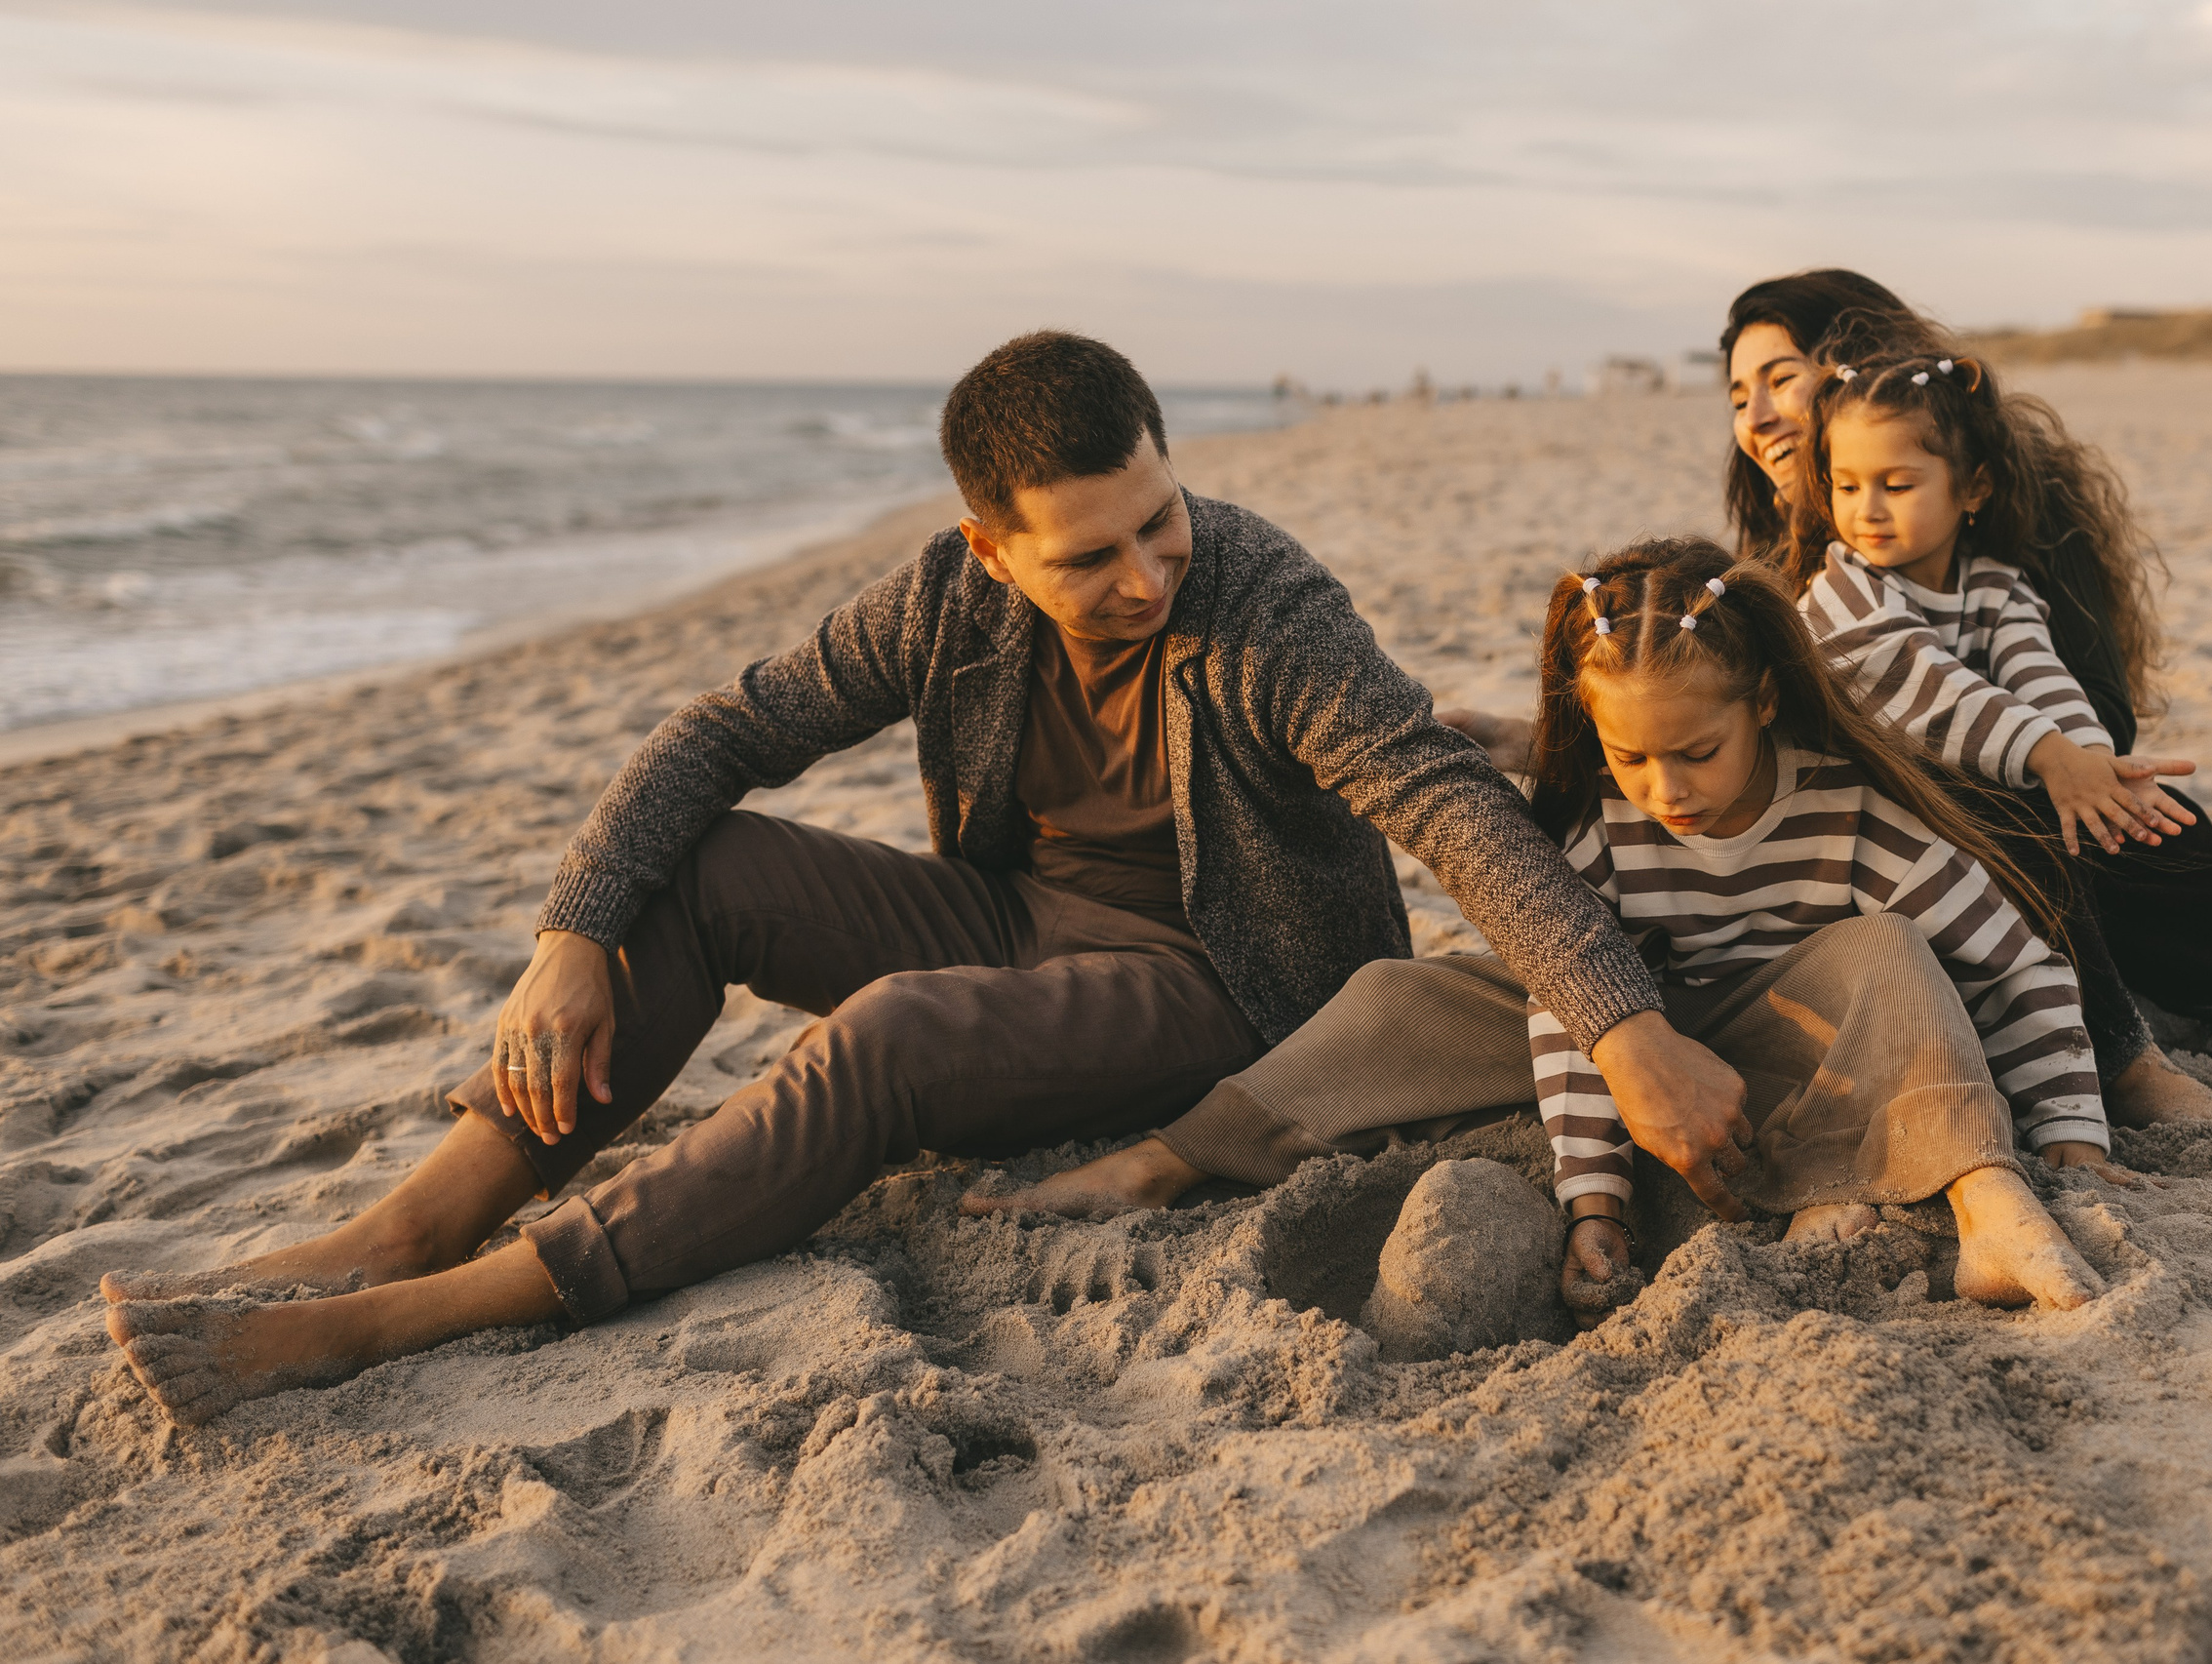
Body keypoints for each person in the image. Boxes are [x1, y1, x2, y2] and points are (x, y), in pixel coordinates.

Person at [100, 331, 1697, 1427]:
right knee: (705, 867)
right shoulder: (944, 600)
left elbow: (1445, 801)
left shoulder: (1265, 603)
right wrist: (572, 930)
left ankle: (433, 1307)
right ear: (991, 546)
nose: (1146, 574)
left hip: (1226, 982)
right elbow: (727, 729)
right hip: (1019, 920)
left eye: (1159, 523)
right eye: (1090, 556)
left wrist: (1621, 1026)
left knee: (891, 1032)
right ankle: (414, 1222)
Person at [984, 540, 2116, 1326]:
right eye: (1630, 756)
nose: (1665, 787)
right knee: (1396, 992)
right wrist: (1594, 1198)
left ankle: (1986, 1198)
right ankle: (1168, 1159)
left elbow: (2020, 964)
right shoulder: (1601, 823)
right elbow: (1566, 1010)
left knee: (1888, 952)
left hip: (1802, 1048)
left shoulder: (1847, 811)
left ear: (1763, 703)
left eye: (1696, 752)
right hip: (1636, 1039)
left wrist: (2071, 1129)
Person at [1784, 344, 2212, 1057]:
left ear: (1973, 488)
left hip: (1996, 786)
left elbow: (2040, 675)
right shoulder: (1843, 589)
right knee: (2041, 856)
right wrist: (2053, 759)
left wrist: (2094, 766)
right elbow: (1929, 685)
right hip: (1886, 825)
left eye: (1896, 484)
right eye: (1846, 486)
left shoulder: (1997, 586)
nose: (1867, 510)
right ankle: (2119, 1053)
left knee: (2162, 827)